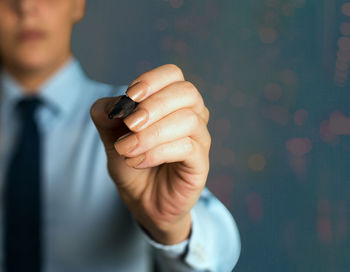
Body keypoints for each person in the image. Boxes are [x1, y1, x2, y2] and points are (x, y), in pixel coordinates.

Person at [0, 0, 241, 271]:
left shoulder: (135, 125)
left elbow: (219, 254)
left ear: (78, 4)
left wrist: (172, 225)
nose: (26, 7)